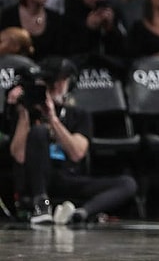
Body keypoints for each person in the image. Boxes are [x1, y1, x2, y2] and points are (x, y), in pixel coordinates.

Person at [6, 56, 137, 225]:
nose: (56, 87)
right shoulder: (25, 112)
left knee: (127, 183)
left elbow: (77, 153)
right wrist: (24, 114)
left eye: (61, 82)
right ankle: (43, 205)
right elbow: (19, 156)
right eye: (51, 83)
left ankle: (80, 213)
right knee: (38, 132)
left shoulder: (79, 115)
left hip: (68, 177)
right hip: (37, 179)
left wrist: (53, 119)